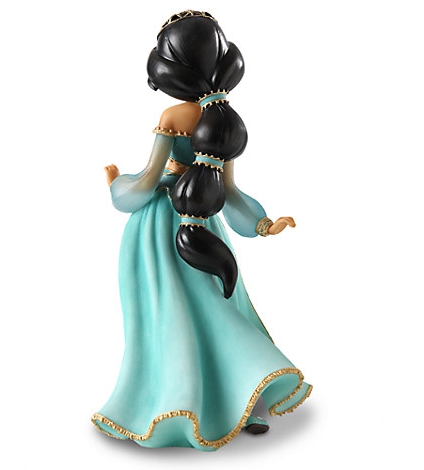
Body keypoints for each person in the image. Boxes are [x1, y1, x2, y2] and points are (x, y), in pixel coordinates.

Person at [91, 10, 312, 451]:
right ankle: (238, 402)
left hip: (159, 230)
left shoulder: (175, 115)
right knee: (213, 311)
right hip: (203, 225)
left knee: (168, 317)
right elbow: (229, 191)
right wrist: (262, 224)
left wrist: (116, 184)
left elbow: (147, 181)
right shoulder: (223, 120)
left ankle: (171, 402)